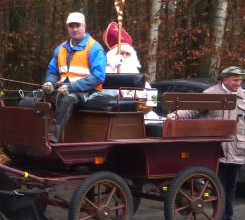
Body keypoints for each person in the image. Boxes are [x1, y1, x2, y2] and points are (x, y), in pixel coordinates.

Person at [166, 66, 245, 220]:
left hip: (236, 146)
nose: (238, 83)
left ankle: (228, 215)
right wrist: (176, 115)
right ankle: (219, 216)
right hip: (216, 147)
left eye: (240, 80)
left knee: (231, 184)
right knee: (218, 183)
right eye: (235, 80)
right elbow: (192, 111)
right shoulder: (211, 94)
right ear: (224, 79)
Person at [42, 12, 107, 142]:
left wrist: (72, 87)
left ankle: (50, 139)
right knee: (32, 98)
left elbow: (98, 77)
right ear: (67, 27)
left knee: (67, 100)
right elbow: (53, 71)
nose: (75, 29)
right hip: (62, 88)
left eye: (78, 25)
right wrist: (50, 83)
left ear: (84, 26)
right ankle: (30, 135)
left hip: (88, 91)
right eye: (71, 26)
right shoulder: (60, 49)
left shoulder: (94, 48)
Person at [102, 22, 159, 122]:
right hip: (118, 118)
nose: (124, 56)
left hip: (143, 116)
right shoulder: (106, 74)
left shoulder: (138, 76)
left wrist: (149, 98)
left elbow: (153, 101)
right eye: (121, 53)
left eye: (127, 54)